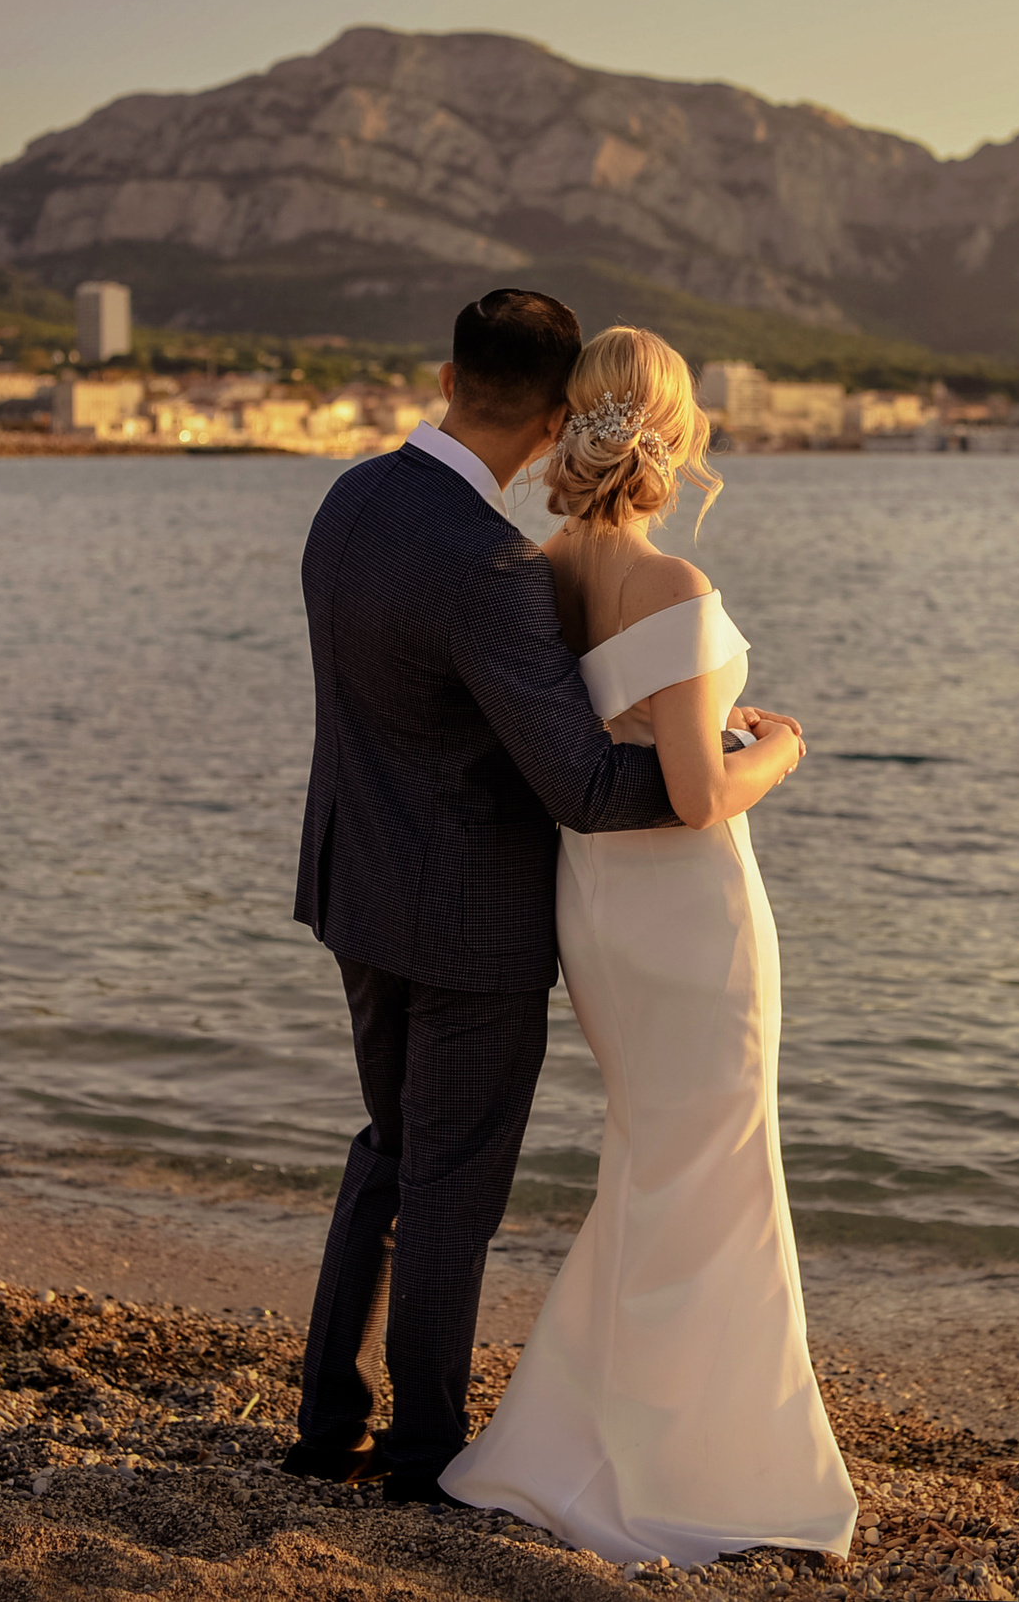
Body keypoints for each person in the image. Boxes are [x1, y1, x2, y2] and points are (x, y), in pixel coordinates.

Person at [282, 291, 806, 1505]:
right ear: (561, 406)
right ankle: (421, 1456)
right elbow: (577, 780)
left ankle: (326, 1422)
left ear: (449, 372)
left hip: (355, 886)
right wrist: (741, 757)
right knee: (451, 1189)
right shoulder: (487, 566)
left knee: (389, 1153)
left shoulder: (349, 499)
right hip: (465, 921)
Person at [438, 326, 855, 1566]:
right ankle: (706, 1466)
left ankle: (588, 1437)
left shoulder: (539, 573)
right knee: (717, 1168)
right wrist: (777, 749)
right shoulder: (673, 589)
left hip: (599, 910)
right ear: (670, 437)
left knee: (653, 1159)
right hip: (691, 916)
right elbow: (689, 790)